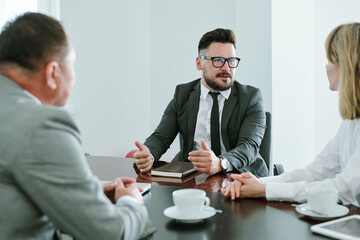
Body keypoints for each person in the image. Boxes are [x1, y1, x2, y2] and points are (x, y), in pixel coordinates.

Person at [0, 12, 150, 239]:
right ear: (52, 73)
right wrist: (131, 201)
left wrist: (84, 196)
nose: (75, 75)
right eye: (72, 65)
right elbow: (109, 234)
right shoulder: (40, 125)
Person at [221, 23, 360, 207]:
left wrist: (264, 190)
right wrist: (260, 183)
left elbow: (345, 189)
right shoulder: (351, 121)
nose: (326, 67)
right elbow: (314, 172)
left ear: (346, 63)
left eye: (330, 59)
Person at [134, 28, 268, 177]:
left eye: (231, 61)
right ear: (199, 63)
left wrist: (220, 163)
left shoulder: (251, 97)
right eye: (218, 60)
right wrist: (149, 154)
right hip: (192, 174)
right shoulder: (183, 94)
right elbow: (161, 137)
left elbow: (249, 146)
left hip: (239, 173)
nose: (226, 68)